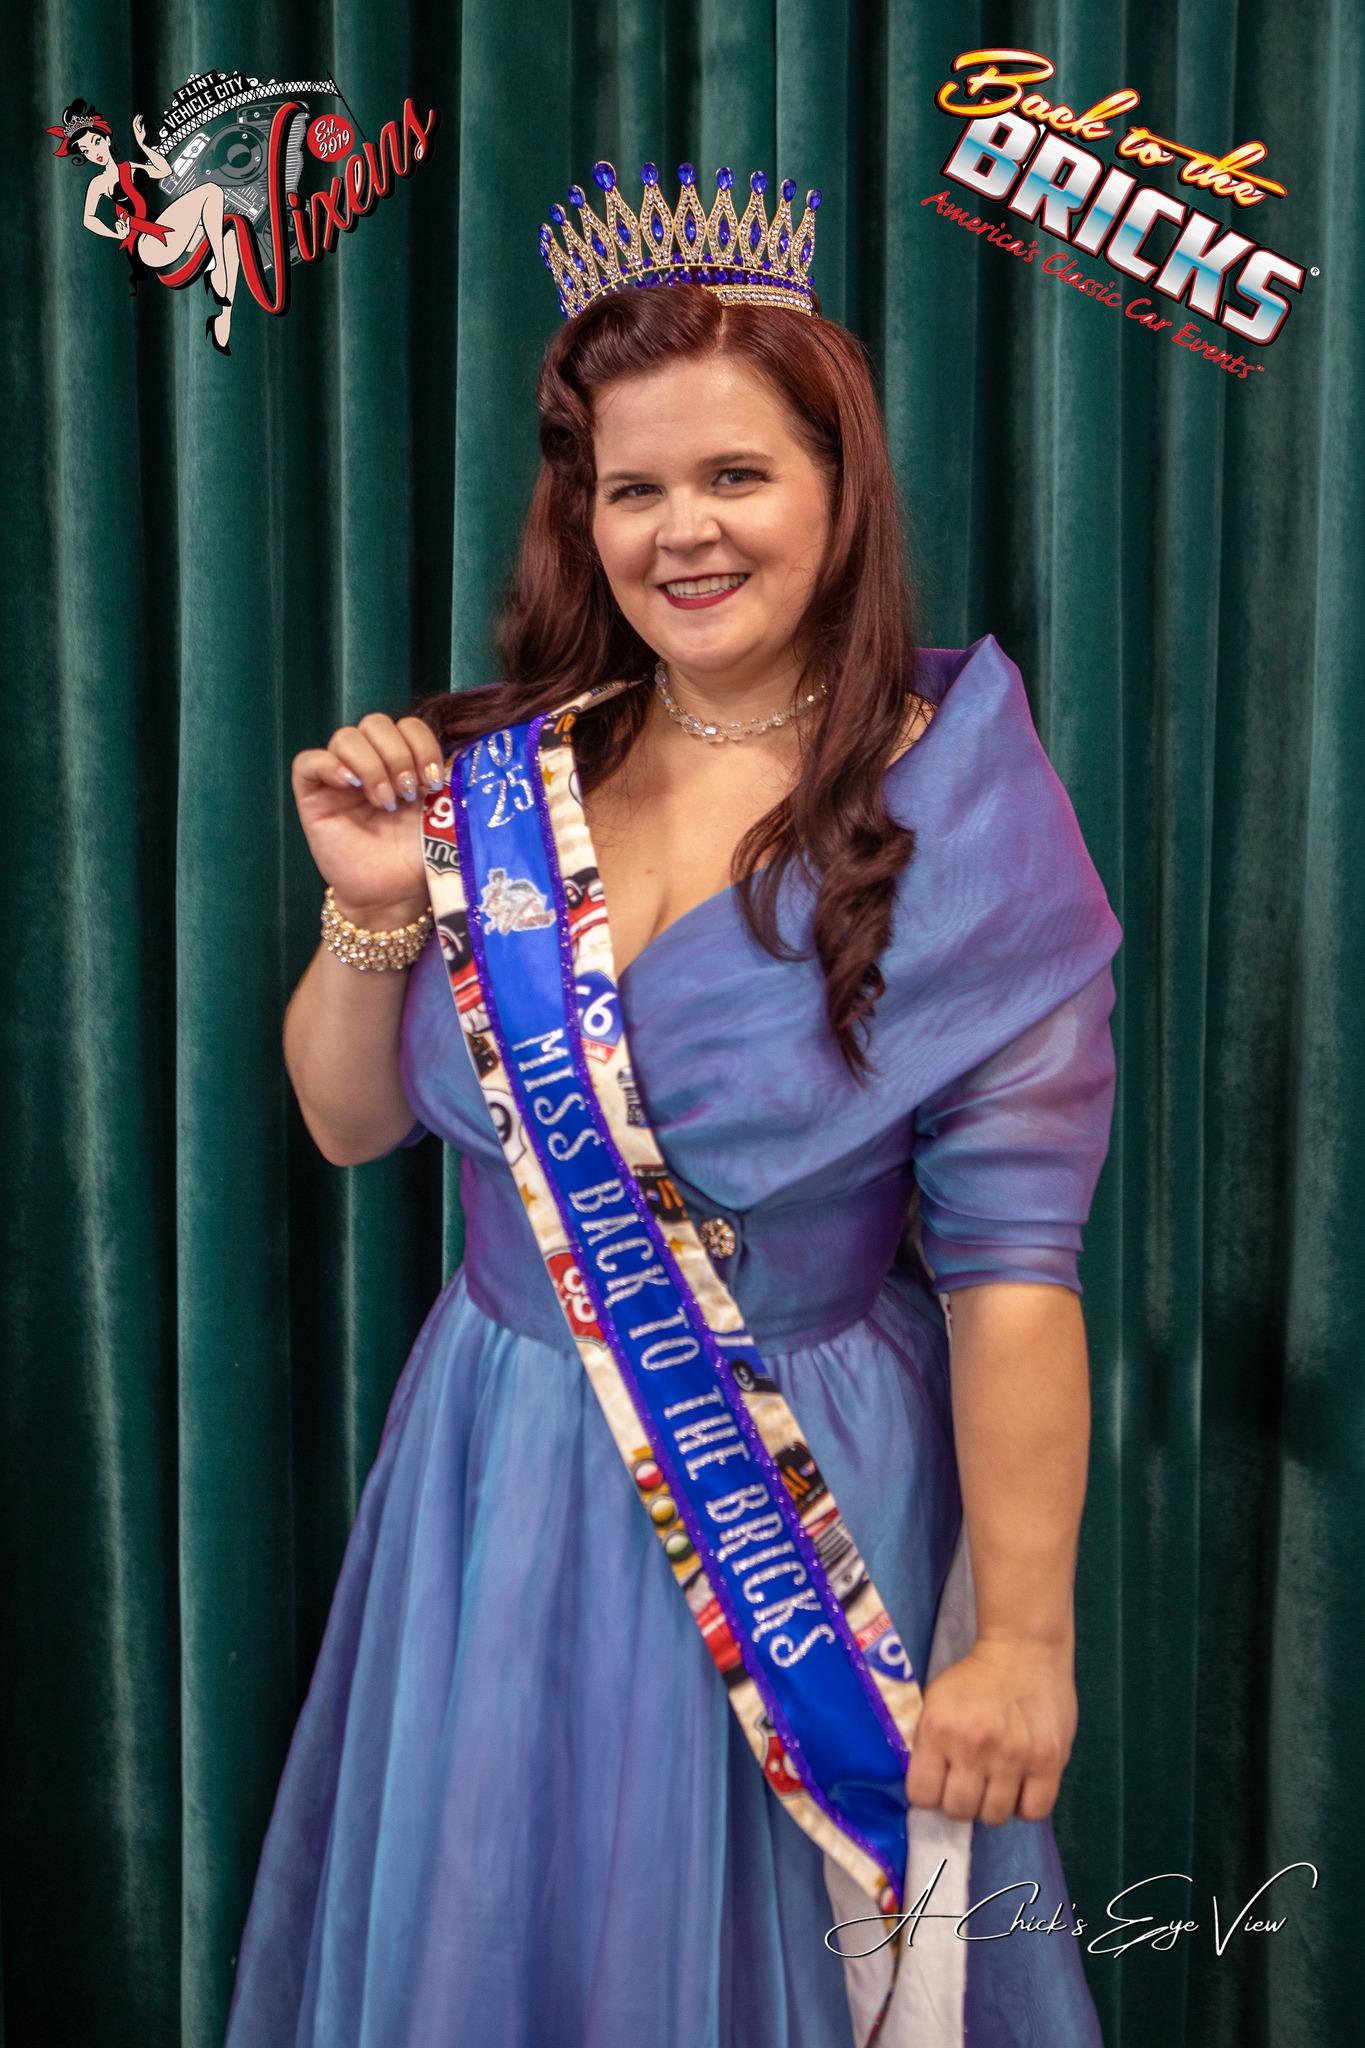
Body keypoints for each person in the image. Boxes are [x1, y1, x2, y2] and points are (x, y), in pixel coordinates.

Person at [223, 161, 1120, 2048]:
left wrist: (1022, 1634)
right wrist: (374, 913)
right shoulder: (496, 778)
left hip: (806, 1493)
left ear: (835, 491)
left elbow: (1019, 1270)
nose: (683, 533)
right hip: (493, 1461)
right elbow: (347, 1124)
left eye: (737, 477)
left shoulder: (954, 805)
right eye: (636, 488)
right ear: (586, 513)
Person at [48, 99, 241, 350]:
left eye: (95, 142)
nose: (93, 151)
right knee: (211, 192)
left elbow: (163, 170)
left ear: (106, 139)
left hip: (165, 229)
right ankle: (220, 270)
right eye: (85, 150)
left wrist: (142, 144)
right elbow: (88, 219)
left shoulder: (130, 167)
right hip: (145, 242)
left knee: (230, 239)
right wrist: (115, 233)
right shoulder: (98, 184)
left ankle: (223, 318)